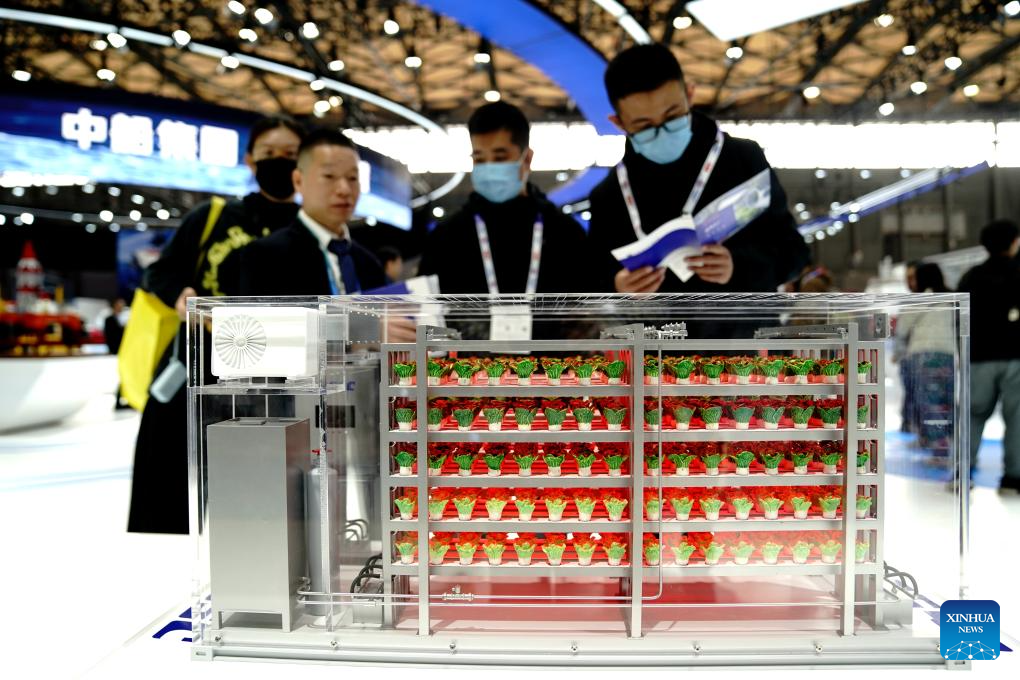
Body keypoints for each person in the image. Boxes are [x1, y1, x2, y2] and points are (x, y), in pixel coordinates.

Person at [127, 115, 305, 534]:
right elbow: (161, 271)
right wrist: (182, 295)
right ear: (249, 160)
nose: (278, 163)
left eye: (290, 156)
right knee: (173, 488)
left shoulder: (303, 229)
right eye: (268, 155)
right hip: (197, 365)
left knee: (259, 504)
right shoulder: (215, 216)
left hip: (273, 378)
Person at [587, 44, 809, 295]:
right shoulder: (609, 195)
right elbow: (592, 275)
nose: (663, 131)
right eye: (644, 125)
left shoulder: (744, 160)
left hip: (742, 329)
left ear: (690, 95)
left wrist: (738, 266)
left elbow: (795, 253)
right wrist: (617, 286)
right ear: (619, 123)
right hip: (655, 332)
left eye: (672, 116)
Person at [417, 101, 591, 295]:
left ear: (527, 159)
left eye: (500, 158)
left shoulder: (564, 233)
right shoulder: (447, 238)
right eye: (479, 159)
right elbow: (426, 316)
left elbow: (592, 312)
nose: (489, 168)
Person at [958, 219, 1020, 493]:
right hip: (1016, 357)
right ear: (1014, 241)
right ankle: (1012, 479)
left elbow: (959, 318)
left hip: (979, 357)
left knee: (973, 415)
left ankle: (963, 473)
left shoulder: (972, 277)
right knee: (1017, 418)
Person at [896, 263, 955, 456]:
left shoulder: (917, 300)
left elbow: (902, 330)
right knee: (945, 401)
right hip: (947, 354)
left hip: (923, 355)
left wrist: (898, 354)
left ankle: (936, 446)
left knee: (929, 402)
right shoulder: (951, 298)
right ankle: (946, 441)